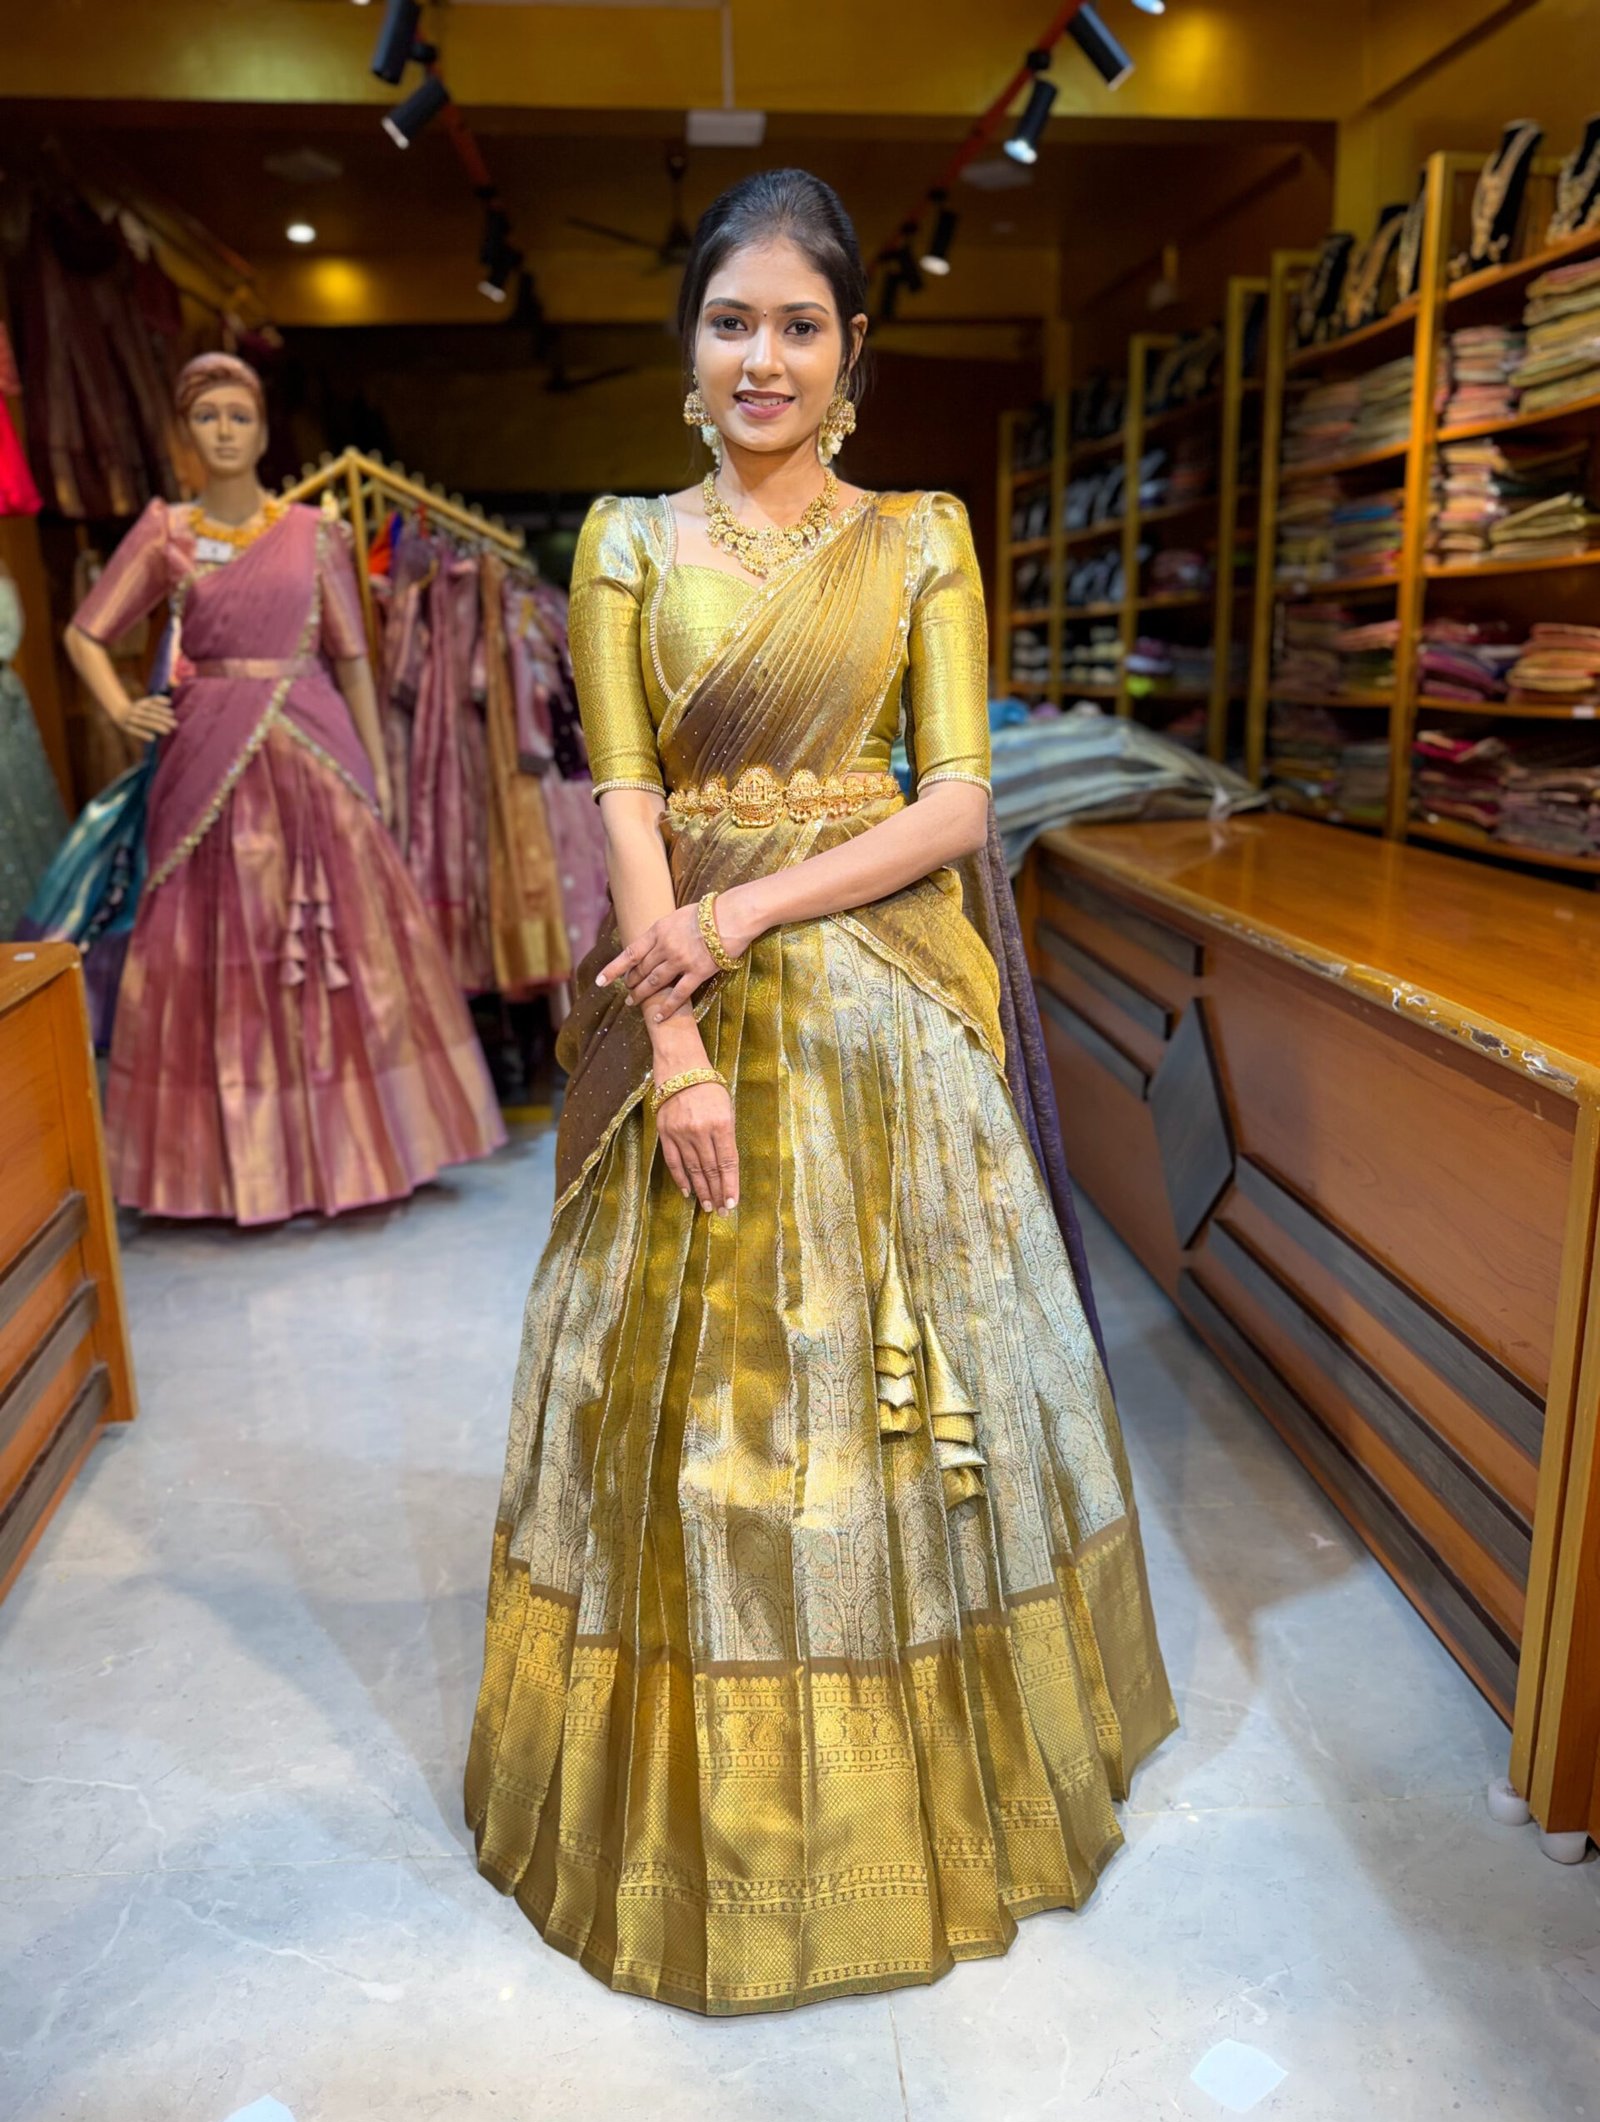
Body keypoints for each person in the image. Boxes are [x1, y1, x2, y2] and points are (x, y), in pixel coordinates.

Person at [464, 169, 1177, 2015]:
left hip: (883, 1010)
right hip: (682, 1012)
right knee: (691, 1400)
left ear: (854, 348)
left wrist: (749, 908)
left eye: (798, 325)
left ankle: (933, 1781)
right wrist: (678, 1038)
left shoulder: (923, 534)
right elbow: (625, 796)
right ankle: (699, 1797)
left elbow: (957, 803)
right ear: (689, 348)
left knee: (909, 1397)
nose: (762, 358)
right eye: (731, 323)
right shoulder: (626, 543)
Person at [62, 352, 505, 1223]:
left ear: (263, 431)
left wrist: (377, 771)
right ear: (184, 434)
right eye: (207, 417)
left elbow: (351, 657)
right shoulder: (165, 532)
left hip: (316, 754)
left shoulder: (316, 533)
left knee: (343, 955)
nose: (225, 432)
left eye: (239, 416)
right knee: (216, 951)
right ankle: (230, 1170)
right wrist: (120, 706)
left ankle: (360, 1155)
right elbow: (86, 634)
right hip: (205, 756)